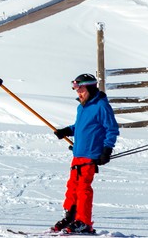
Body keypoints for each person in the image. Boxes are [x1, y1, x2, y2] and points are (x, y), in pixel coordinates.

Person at [50, 74, 119, 235]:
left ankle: (84, 222)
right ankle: (71, 217)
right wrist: (67, 131)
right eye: (76, 90)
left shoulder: (101, 106)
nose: (78, 93)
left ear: (90, 88)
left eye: (81, 89)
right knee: (72, 187)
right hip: (78, 154)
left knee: (83, 189)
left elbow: (112, 129)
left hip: (90, 155)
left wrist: (106, 150)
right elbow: (80, 126)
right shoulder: (81, 107)